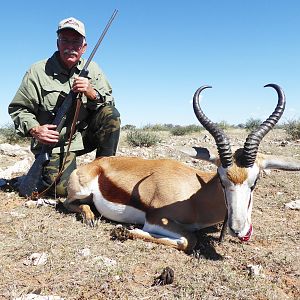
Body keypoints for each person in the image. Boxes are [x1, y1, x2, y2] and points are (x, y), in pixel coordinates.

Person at [8, 17, 121, 197]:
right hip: (53, 143)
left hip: (82, 137)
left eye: (76, 42)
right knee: (60, 190)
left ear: (84, 47)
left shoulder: (93, 69)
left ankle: (104, 176)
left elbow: (109, 103)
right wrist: (35, 129)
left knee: (111, 115)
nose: (70, 46)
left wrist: (92, 93)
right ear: (57, 43)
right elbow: (18, 109)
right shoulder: (37, 71)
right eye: (65, 40)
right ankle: (22, 181)